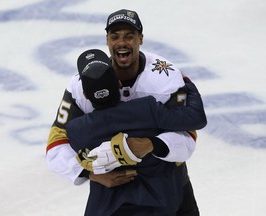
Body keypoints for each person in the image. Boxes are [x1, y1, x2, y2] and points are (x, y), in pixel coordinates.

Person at [46, 9, 206, 216]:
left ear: (140, 38)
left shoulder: (165, 77)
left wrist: (149, 145)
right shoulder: (82, 84)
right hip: (112, 190)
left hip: (167, 184)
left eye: (129, 36)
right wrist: (89, 173)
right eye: (115, 36)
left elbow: (188, 136)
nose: (122, 42)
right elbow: (56, 144)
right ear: (107, 40)